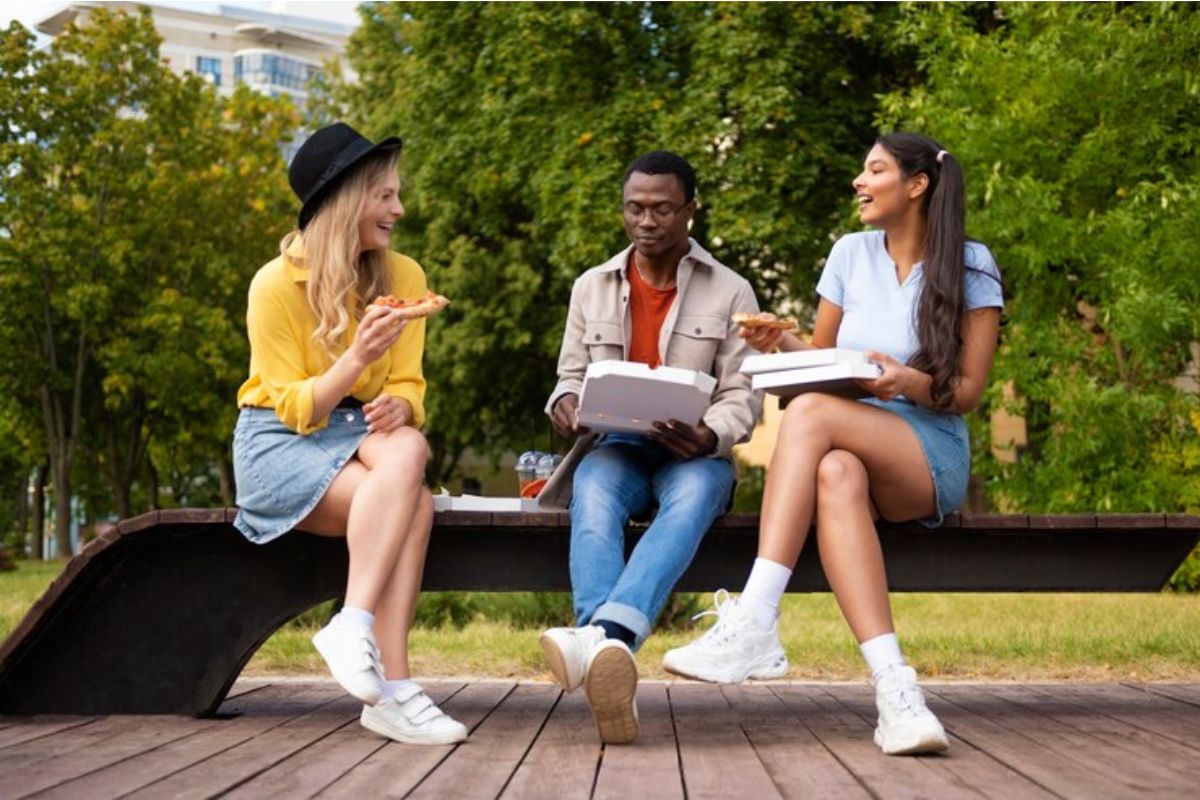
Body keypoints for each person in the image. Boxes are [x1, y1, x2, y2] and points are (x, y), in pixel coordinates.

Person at [663, 132, 1004, 756]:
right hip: (851, 439)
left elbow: (970, 390)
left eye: (874, 170)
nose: (859, 181)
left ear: (917, 185)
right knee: (837, 473)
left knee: (815, 415)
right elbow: (824, 362)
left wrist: (910, 382)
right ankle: (895, 692)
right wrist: (781, 345)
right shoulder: (849, 253)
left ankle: (757, 615)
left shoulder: (971, 264)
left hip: (928, 449)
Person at [232, 122, 466, 746]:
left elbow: (412, 384)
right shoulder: (274, 285)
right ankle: (393, 686)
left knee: (411, 448)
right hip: (279, 439)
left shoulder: (405, 278)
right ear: (344, 201)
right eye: (384, 196)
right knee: (409, 501)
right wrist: (357, 361)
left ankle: (353, 625)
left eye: (397, 194)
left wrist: (401, 405)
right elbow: (294, 408)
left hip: (359, 429)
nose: (399, 208)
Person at [537, 151, 763, 744]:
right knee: (593, 496)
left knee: (690, 501)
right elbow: (570, 374)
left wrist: (710, 434)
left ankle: (600, 640)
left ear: (689, 210)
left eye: (662, 209)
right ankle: (612, 650)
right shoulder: (591, 286)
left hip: (695, 453)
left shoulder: (733, 289)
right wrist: (564, 403)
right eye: (635, 208)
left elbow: (746, 393)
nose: (647, 221)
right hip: (615, 445)